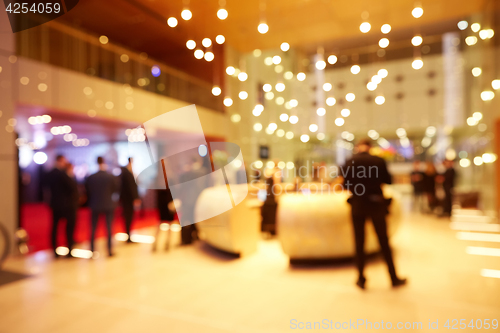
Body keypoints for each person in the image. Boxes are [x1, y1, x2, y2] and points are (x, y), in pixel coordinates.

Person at [341, 139, 406, 289]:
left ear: (358, 147)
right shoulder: (378, 161)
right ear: (370, 147)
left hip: (357, 204)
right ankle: (393, 277)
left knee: (359, 242)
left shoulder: (350, 161)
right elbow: (388, 180)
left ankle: (361, 279)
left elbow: (345, 184)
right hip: (376, 204)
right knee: (384, 241)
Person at [85, 157, 118, 256]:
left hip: (95, 204)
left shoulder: (91, 177)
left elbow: (87, 191)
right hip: (108, 204)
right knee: (108, 228)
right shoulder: (110, 176)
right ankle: (109, 250)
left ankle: (92, 249)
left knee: (93, 228)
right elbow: (115, 189)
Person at [46, 155, 77, 258]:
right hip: (67, 205)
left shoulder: (50, 173)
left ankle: (54, 249)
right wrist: (70, 174)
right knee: (69, 228)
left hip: (55, 204)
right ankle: (69, 249)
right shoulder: (64, 174)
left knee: (55, 227)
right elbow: (72, 188)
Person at [120, 158, 141, 243]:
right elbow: (131, 188)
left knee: (129, 217)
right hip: (128, 200)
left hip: (127, 200)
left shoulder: (127, 172)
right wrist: (135, 198)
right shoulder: (127, 173)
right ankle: (128, 236)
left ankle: (128, 235)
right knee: (128, 217)